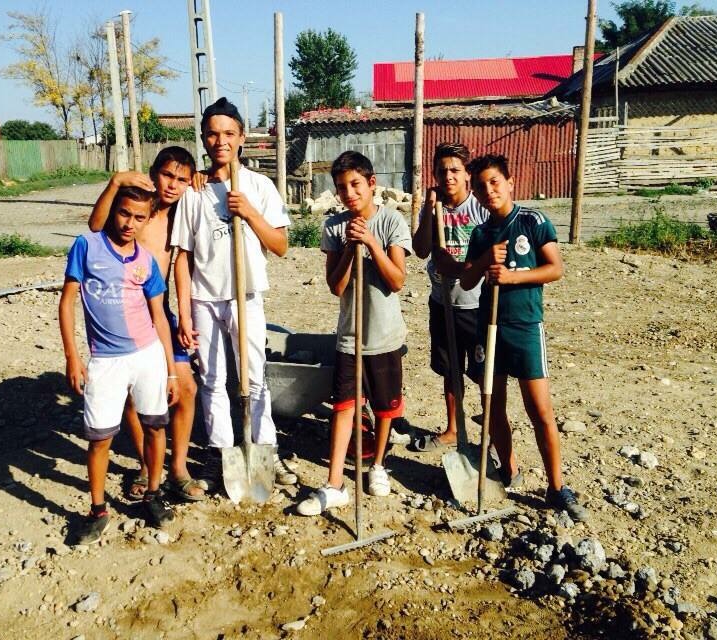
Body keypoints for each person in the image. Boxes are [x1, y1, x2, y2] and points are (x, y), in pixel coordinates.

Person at [171, 97, 297, 490]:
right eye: (212, 133)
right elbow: (182, 257)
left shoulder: (259, 186)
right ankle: (220, 452)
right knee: (212, 378)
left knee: (254, 377)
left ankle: (265, 448)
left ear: (242, 137)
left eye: (228, 133)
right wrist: (186, 312)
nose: (220, 140)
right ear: (204, 140)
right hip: (205, 298)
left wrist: (249, 214)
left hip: (246, 295)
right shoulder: (194, 192)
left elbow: (280, 245)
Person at [460, 154, 588, 521]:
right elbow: (467, 280)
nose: (489, 191)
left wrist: (512, 277)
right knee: (493, 405)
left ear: (510, 182)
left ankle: (556, 486)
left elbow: (555, 269)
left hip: (525, 327)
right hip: (490, 327)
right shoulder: (481, 234)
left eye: (495, 182)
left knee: (540, 410)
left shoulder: (533, 220)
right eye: (481, 186)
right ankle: (509, 467)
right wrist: (485, 260)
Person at [59, 186, 180, 544]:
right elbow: (67, 303)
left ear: (147, 220)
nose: (130, 223)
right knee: (100, 439)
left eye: (139, 217)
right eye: (124, 213)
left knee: (156, 427)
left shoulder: (146, 260)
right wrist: (72, 357)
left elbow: (159, 317)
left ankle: (153, 495)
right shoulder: (87, 246)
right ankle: (97, 511)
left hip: (148, 357)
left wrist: (171, 369)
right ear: (114, 211)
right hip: (105, 362)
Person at [297, 151, 412, 516]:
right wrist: (349, 246)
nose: (349, 193)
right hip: (350, 335)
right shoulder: (333, 228)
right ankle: (334, 483)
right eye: (342, 188)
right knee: (345, 407)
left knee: (384, 406)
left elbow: (396, 280)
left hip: (384, 333)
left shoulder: (392, 221)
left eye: (356, 185)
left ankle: (378, 465)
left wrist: (372, 245)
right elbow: (336, 286)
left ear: (372, 184)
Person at [88, 146, 205, 502]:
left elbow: (182, 265)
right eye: (167, 175)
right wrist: (113, 183)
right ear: (153, 172)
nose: (172, 185)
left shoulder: (186, 211)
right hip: (125, 314)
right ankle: (144, 463)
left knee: (186, 389)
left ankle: (178, 468)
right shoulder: (135, 209)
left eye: (182, 179)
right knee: (132, 397)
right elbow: (95, 227)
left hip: (161, 311)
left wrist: (183, 317)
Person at [410, 142, 489, 451]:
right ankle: (454, 428)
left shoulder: (479, 208)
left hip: (476, 305)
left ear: (467, 174)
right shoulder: (433, 208)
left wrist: (455, 267)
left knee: (483, 374)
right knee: (450, 370)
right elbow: (420, 250)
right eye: (442, 171)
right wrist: (429, 210)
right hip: (442, 303)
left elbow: (488, 259)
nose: (448, 176)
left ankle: (492, 434)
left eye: (455, 170)